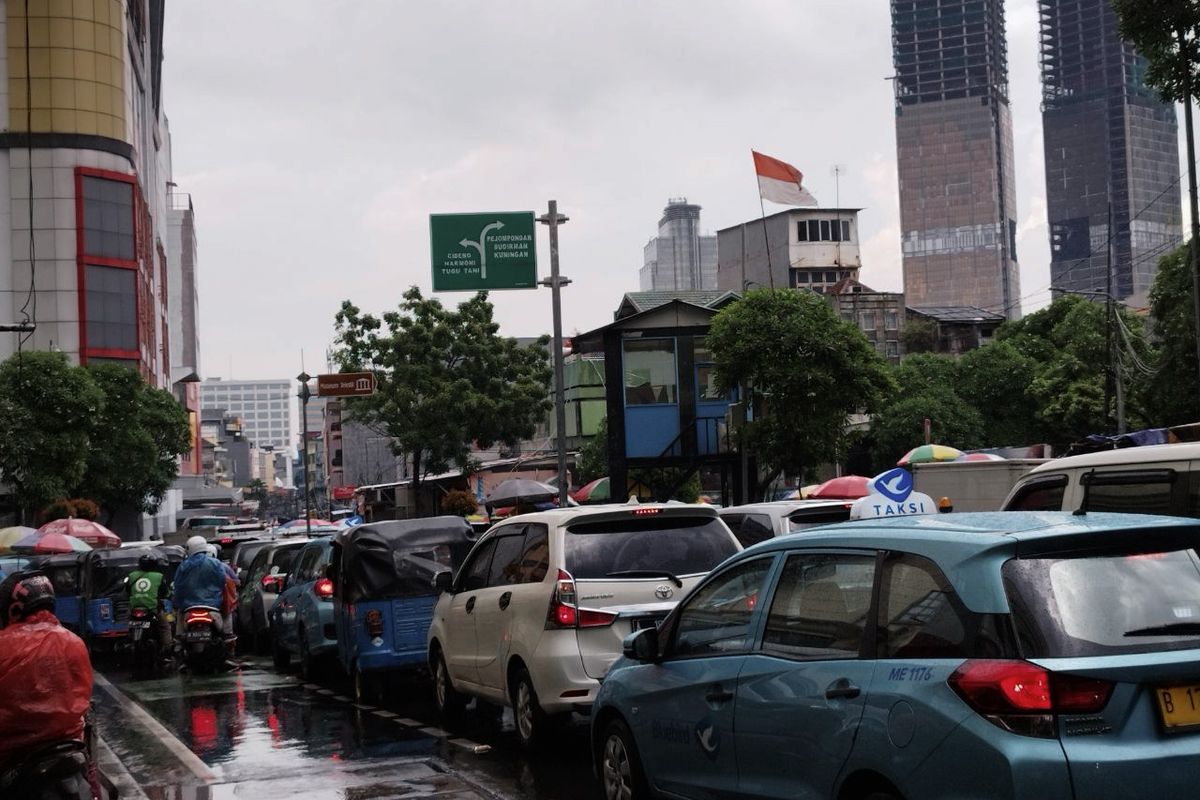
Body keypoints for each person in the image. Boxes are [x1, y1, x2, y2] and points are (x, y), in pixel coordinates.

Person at [0, 571, 94, 796]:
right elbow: (82, 696)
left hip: (14, 758)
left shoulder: (4, 645)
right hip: (70, 749)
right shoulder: (74, 642)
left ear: (12, 608)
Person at [173, 536, 228, 637]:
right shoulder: (215, 563)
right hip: (213, 605)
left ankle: (178, 643)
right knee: (227, 614)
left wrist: (176, 602)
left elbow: (178, 586)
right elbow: (222, 581)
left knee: (179, 632)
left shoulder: (184, 566)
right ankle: (228, 634)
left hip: (188, 607)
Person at [127, 552, 173, 658]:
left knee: (129, 623)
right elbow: (165, 592)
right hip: (152, 609)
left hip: (134, 608)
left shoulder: (132, 575)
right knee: (165, 627)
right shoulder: (158, 576)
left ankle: (129, 638)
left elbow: (127, 591)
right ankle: (167, 651)